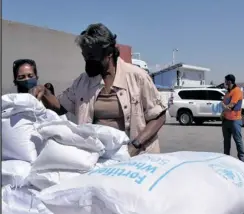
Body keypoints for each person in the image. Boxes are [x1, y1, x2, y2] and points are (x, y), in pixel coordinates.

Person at [30, 23, 167, 157]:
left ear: (108, 53)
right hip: (101, 158)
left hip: (138, 156)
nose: (87, 62)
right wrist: (44, 92)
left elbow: (159, 116)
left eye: (92, 57)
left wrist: (134, 146)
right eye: (85, 56)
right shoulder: (83, 82)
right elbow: (60, 107)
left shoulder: (137, 77)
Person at [221, 74, 244, 162]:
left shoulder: (237, 91)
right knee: (226, 141)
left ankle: (242, 158)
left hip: (235, 120)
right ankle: (226, 158)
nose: (224, 82)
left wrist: (223, 106)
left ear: (229, 81)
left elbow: (230, 106)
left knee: (238, 140)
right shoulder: (227, 92)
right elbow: (224, 105)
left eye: (226, 81)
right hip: (226, 120)